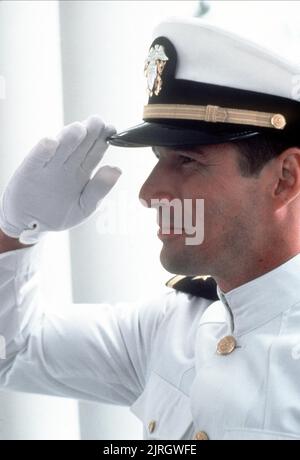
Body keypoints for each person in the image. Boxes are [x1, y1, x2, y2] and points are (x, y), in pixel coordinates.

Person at [0, 17, 300, 441]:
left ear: (285, 178)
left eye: (188, 161)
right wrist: (17, 231)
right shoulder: (173, 327)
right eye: (159, 157)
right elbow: (13, 351)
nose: (148, 192)